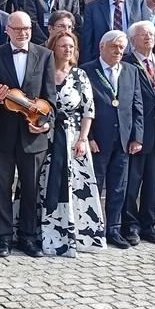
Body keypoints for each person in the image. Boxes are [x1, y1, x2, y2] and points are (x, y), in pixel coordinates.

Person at [0, 11, 56, 257]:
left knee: (30, 189)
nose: (23, 33)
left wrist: (45, 124)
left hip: (33, 135)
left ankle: (28, 236)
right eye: (17, 29)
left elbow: (50, 98)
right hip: (3, 135)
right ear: (7, 30)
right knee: (3, 188)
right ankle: (4, 238)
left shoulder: (45, 55)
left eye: (26, 29)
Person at [37, 31, 105, 256]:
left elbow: (88, 110)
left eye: (71, 46)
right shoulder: (43, 72)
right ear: (53, 48)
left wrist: (83, 138)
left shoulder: (80, 75)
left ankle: (78, 236)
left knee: (75, 188)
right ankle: (46, 235)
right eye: (62, 46)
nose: (67, 50)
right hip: (46, 137)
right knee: (45, 184)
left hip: (73, 139)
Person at [80, 30, 144, 248]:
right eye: (114, 46)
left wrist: (137, 137)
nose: (118, 51)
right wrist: (88, 137)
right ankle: (92, 228)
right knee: (94, 186)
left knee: (118, 188)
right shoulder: (86, 71)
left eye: (121, 48)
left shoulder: (131, 71)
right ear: (101, 47)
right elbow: (82, 107)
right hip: (98, 141)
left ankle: (113, 229)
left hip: (124, 140)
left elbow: (137, 105)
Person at [122, 21, 155, 245]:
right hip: (136, 135)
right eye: (143, 34)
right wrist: (134, 134)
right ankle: (130, 226)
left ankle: (149, 226)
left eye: (151, 34)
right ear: (132, 40)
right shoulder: (126, 63)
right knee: (132, 184)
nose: (148, 37)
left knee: (152, 184)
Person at [80, 0, 144, 64]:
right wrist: (87, 64)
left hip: (132, 58)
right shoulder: (93, 7)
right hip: (104, 59)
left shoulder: (139, 1)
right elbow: (87, 39)